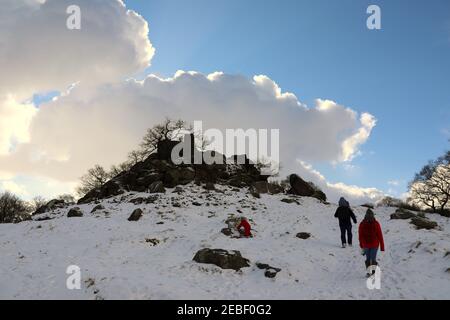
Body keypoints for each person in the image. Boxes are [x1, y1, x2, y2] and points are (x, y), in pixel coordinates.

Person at [358, 208, 385, 276]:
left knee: (368, 259)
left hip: (367, 244)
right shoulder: (376, 223)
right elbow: (380, 235)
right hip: (374, 244)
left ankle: (370, 272)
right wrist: (382, 246)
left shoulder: (362, 223)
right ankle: (372, 271)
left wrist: (361, 244)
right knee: (372, 259)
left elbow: (360, 235)